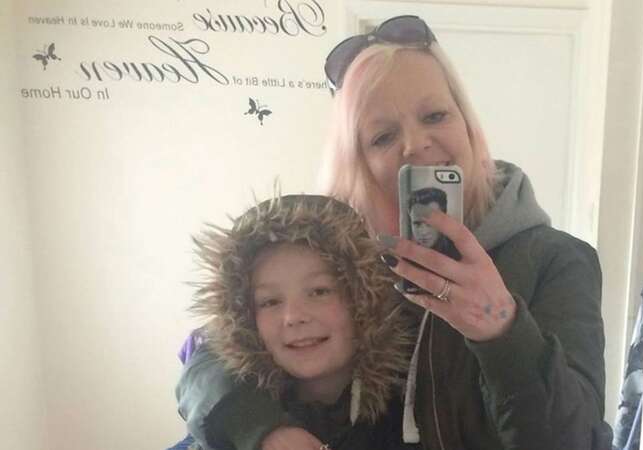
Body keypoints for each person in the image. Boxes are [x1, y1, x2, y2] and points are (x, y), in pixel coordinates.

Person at [177, 14, 612, 450]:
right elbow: (214, 358)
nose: (415, 143)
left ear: (467, 122)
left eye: (435, 115)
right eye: (383, 137)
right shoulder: (342, 256)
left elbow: (580, 440)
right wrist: (266, 432)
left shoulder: (556, 261)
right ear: (357, 162)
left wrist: (502, 330)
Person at [177, 195, 418, 450]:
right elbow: (204, 374)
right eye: (269, 301)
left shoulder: (415, 393)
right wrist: (263, 431)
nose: (293, 316)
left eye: (319, 291)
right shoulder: (233, 393)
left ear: (365, 299)